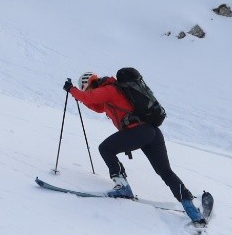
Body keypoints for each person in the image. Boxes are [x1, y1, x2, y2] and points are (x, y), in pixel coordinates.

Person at [65, 68, 205, 223]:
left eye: (87, 89)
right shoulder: (110, 93)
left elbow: (89, 98)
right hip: (152, 132)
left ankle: (123, 186)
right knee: (164, 171)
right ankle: (190, 206)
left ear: (88, 84)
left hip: (139, 132)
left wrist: (72, 90)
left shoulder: (108, 89)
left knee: (105, 148)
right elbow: (97, 106)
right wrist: (80, 97)